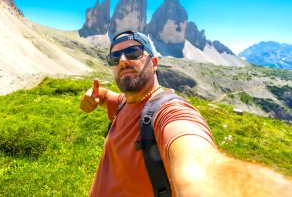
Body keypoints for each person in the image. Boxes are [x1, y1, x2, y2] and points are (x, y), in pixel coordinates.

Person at [80, 30, 292, 197]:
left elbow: (200, 166)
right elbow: (109, 97)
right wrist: (96, 96)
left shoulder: (170, 112)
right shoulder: (124, 101)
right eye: (114, 57)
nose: (123, 60)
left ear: (154, 63)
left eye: (134, 52)